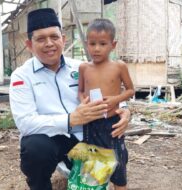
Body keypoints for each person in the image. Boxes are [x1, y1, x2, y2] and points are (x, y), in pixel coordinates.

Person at [9, 8, 131, 190]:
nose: (49, 43)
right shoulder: (21, 77)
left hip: (87, 139)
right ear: (29, 44)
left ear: (63, 39)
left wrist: (125, 109)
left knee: (115, 153)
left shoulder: (83, 68)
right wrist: (70, 120)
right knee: (35, 148)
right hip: (53, 144)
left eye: (54, 37)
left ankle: (85, 172)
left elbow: (108, 93)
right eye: (41, 39)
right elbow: (25, 123)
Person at [78, 18, 134, 190]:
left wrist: (115, 99)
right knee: (94, 162)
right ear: (87, 44)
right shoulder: (84, 68)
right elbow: (80, 91)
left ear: (113, 44)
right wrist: (83, 102)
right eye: (92, 43)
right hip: (91, 123)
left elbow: (131, 90)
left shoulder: (119, 66)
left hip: (112, 123)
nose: (96, 48)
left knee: (118, 161)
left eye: (102, 43)